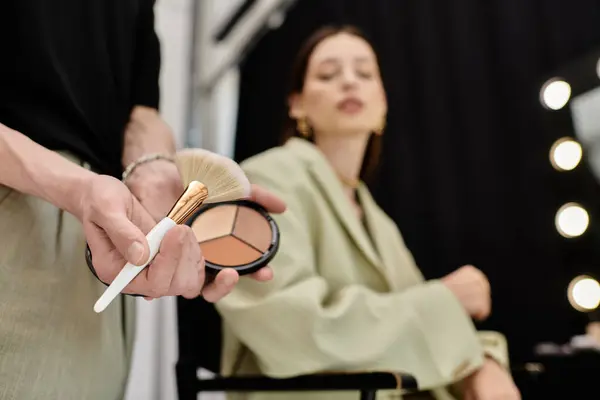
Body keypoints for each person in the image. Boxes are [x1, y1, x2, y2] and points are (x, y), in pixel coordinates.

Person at [215, 26, 521, 400]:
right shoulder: (267, 177)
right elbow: (292, 331)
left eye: (364, 73)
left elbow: (411, 327)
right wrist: (446, 299)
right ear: (297, 104)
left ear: (383, 104)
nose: (348, 82)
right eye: (328, 74)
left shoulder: (378, 221)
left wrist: (481, 361)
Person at [0, 1, 285, 399]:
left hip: (105, 226)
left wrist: (150, 171)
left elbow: (141, 113)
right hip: (20, 208)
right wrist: (76, 187)